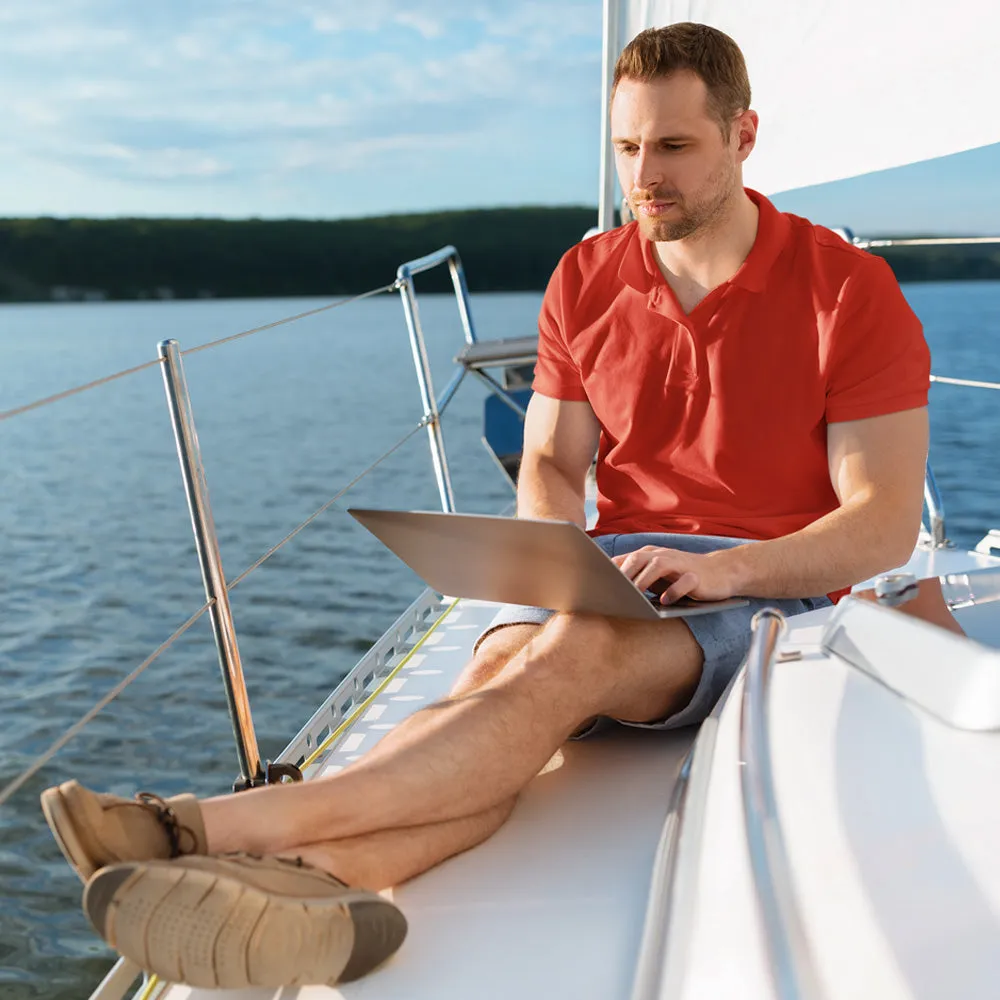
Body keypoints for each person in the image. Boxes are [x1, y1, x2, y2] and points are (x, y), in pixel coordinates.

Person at [39, 22, 930, 990]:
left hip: (766, 586)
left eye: (674, 146)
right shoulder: (587, 275)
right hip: (620, 562)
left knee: (575, 656)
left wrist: (722, 569)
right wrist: (553, 561)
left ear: (742, 135)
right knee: (502, 682)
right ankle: (340, 881)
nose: (645, 174)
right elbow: (550, 456)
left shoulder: (846, 291)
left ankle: (202, 824)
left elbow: (879, 522)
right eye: (627, 148)